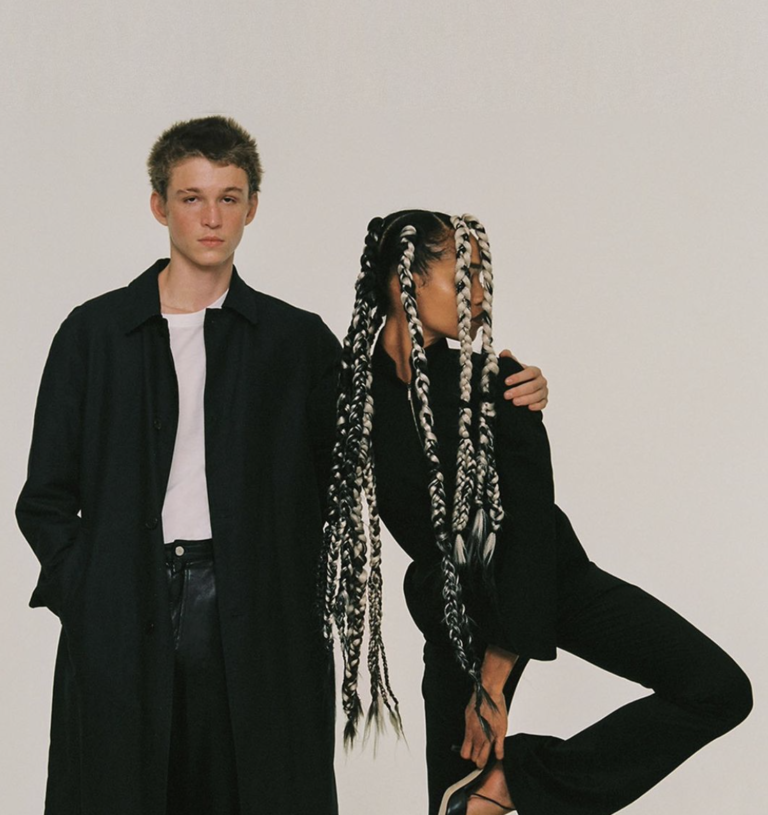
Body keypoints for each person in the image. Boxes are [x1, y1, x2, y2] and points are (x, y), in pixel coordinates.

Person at [15, 120, 549, 815]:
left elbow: (381, 441)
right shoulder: (94, 334)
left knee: (261, 789)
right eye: (192, 198)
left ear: (252, 208)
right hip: (124, 609)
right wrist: (92, 592)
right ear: (159, 206)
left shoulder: (296, 343)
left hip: (258, 618)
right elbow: (45, 498)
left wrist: (501, 394)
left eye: (229, 198)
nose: (211, 218)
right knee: (118, 790)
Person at [321, 210, 753, 815]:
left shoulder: (499, 383)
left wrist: (493, 684)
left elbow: (526, 533)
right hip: (457, 610)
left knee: (717, 690)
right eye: (463, 275)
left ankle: (514, 780)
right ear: (404, 280)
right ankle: (487, 789)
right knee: (455, 807)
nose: (479, 292)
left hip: (548, 578)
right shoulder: (348, 399)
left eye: (482, 276)